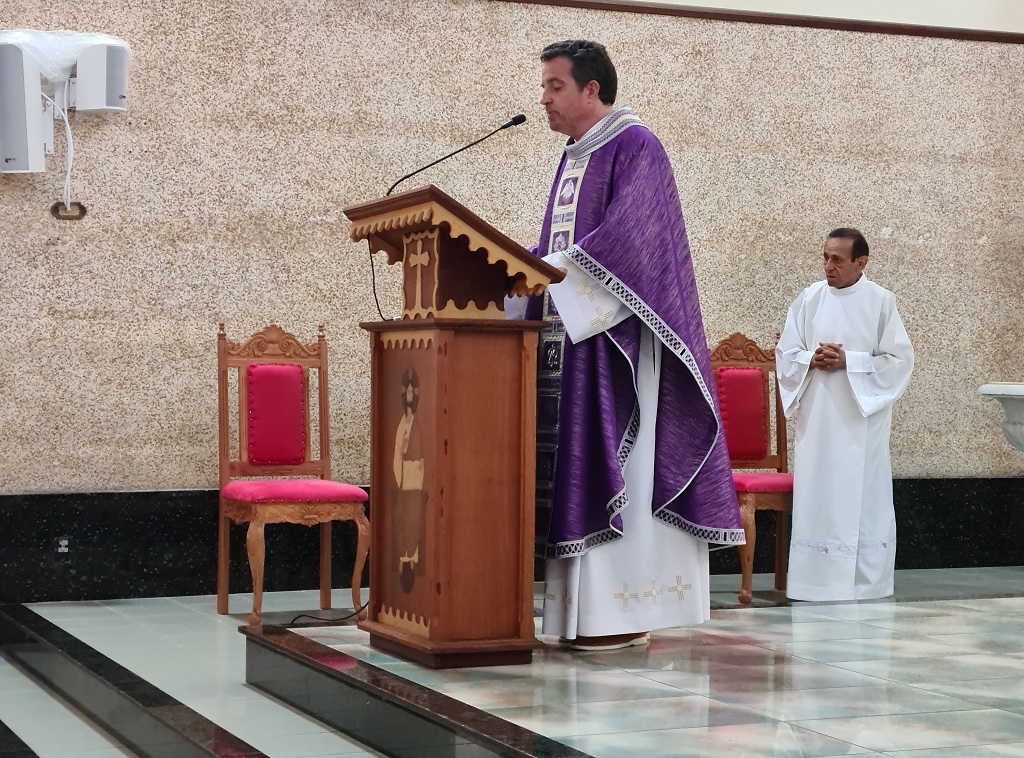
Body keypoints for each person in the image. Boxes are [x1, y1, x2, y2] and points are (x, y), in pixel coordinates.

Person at [515, 39, 744, 651]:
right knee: (573, 461)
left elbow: (634, 242)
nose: (544, 99)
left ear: (591, 89)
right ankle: (579, 616)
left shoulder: (635, 145)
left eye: (555, 86)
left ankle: (620, 612)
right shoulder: (575, 155)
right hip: (572, 338)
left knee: (624, 467)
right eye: (544, 86)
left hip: (616, 343)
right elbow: (556, 248)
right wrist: (519, 272)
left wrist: (555, 272)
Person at [776, 228, 914, 602]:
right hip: (817, 419)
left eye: (836, 259)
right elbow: (786, 353)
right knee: (818, 495)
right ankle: (814, 582)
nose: (828, 266)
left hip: (860, 421)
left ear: (860, 262)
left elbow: (899, 361)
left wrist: (847, 361)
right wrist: (811, 359)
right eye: (825, 257)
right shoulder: (809, 299)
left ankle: (864, 584)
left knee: (862, 496)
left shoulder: (881, 302)